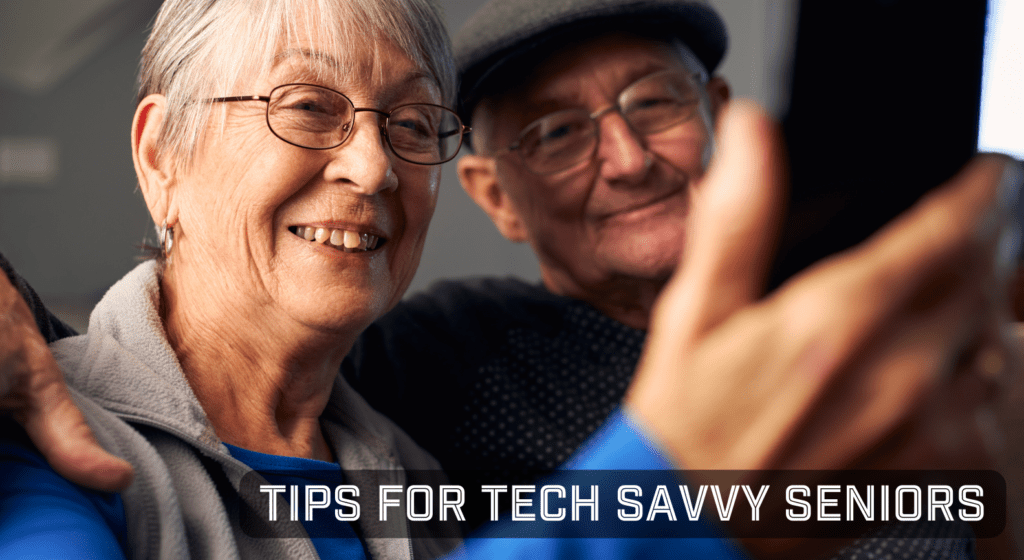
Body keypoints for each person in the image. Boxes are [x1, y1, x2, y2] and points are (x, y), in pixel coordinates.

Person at [1, 0, 1020, 557]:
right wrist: (662, 483)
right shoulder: (39, 435)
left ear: (716, 111)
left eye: (408, 125)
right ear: (159, 155)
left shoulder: (416, 477)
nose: (370, 167)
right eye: (306, 107)